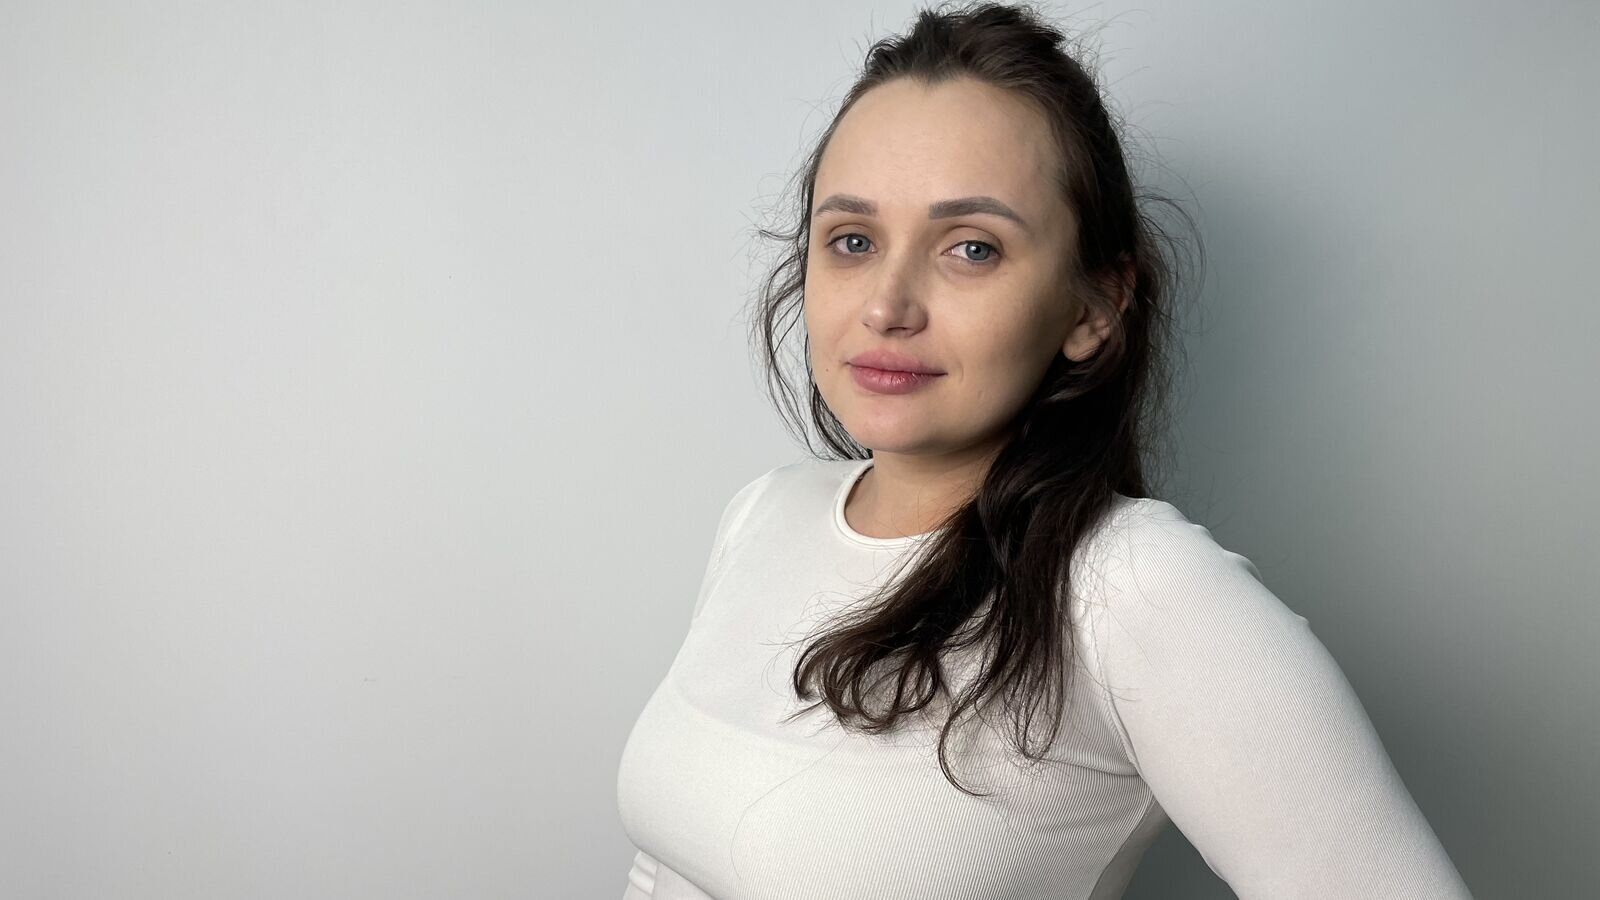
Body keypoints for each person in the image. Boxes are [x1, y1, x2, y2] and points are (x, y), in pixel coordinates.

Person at [616, 3, 1474, 897]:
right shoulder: (762, 512)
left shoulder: (1135, 590)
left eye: (972, 248)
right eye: (853, 241)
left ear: (1094, 306)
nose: (886, 305)